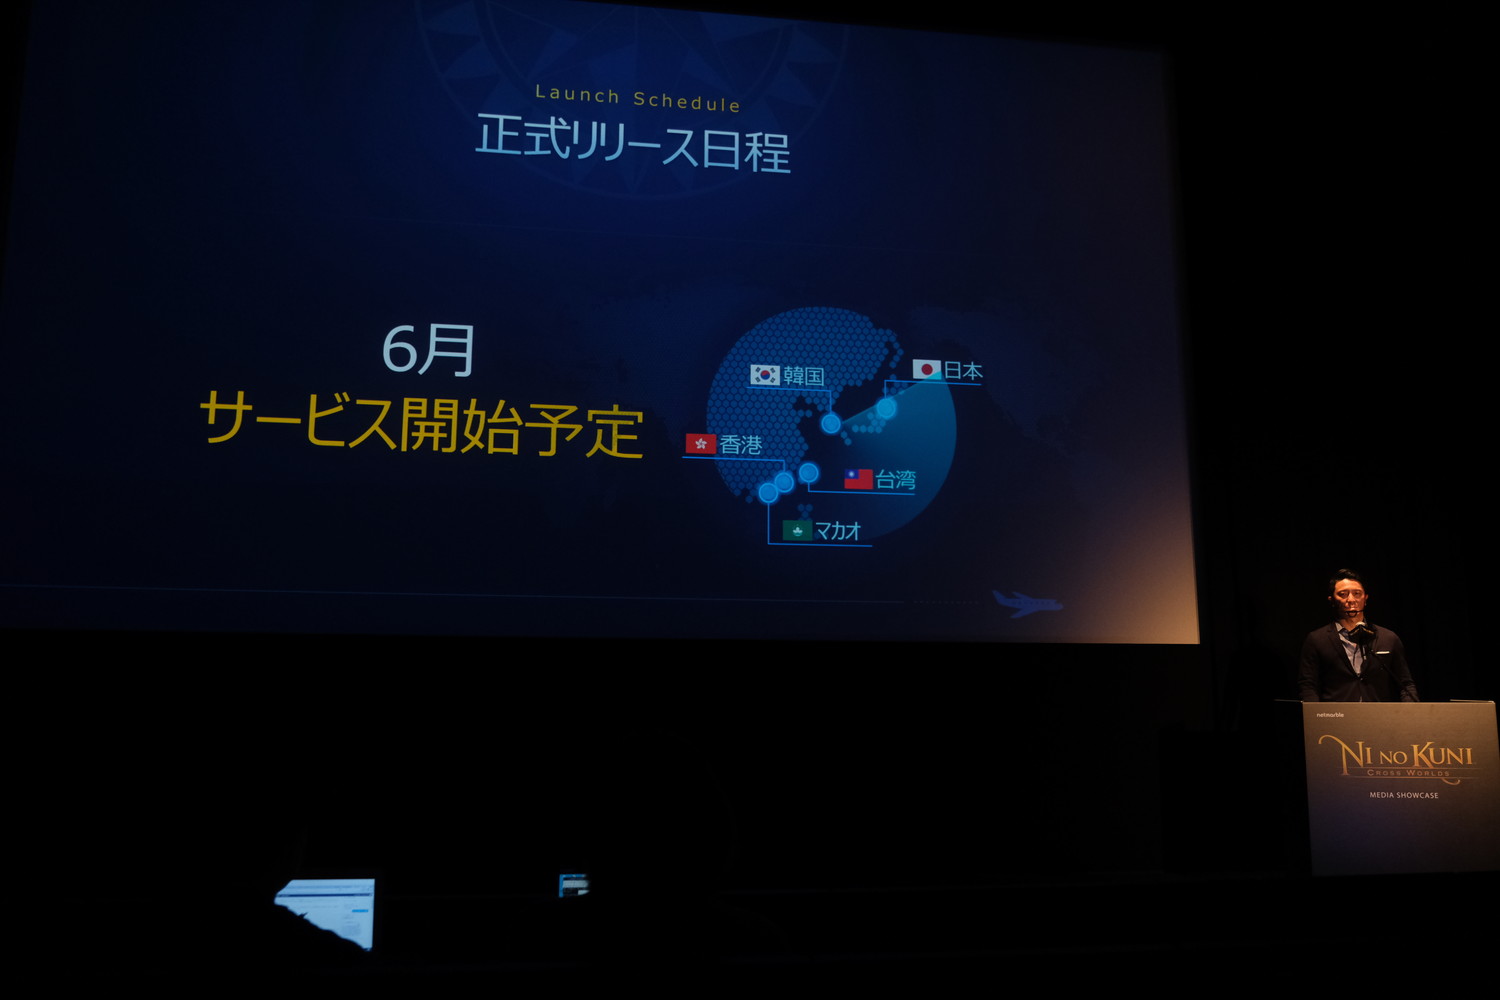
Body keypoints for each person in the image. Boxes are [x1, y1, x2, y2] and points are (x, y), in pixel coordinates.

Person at [1298, 569, 1418, 702]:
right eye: (1343, 594)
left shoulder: (1388, 638)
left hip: (1377, 713)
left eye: (1357, 594)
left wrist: (1411, 711)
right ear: (1331, 600)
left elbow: (1406, 684)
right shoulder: (1317, 639)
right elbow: (1308, 685)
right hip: (1337, 713)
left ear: (1365, 598)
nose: (1351, 600)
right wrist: (1315, 713)